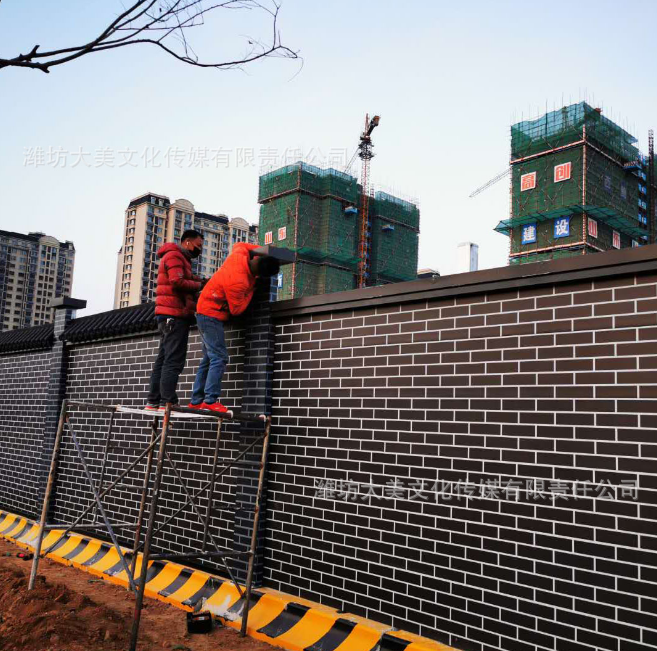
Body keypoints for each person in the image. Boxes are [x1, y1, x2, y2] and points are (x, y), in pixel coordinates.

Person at [188, 243, 280, 413]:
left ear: (257, 257)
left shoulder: (239, 255)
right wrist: (252, 289)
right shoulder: (240, 282)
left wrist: (265, 248)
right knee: (219, 357)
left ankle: (196, 401)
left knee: (208, 358)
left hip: (204, 310)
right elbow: (236, 309)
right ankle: (210, 400)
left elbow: (240, 244)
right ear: (260, 274)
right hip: (210, 314)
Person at [145, 229, 206, 411]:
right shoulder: (175, 256)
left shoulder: (180, 258)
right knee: (173, 360)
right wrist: (199, 286)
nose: (199, 249)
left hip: (168, 315)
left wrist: (202, 281)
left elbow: (186, 277)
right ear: (187, 242)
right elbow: (177, 281)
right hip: (174, 315)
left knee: (163, 359)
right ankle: (167, 402)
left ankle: (153, 401)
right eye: (199, 245)